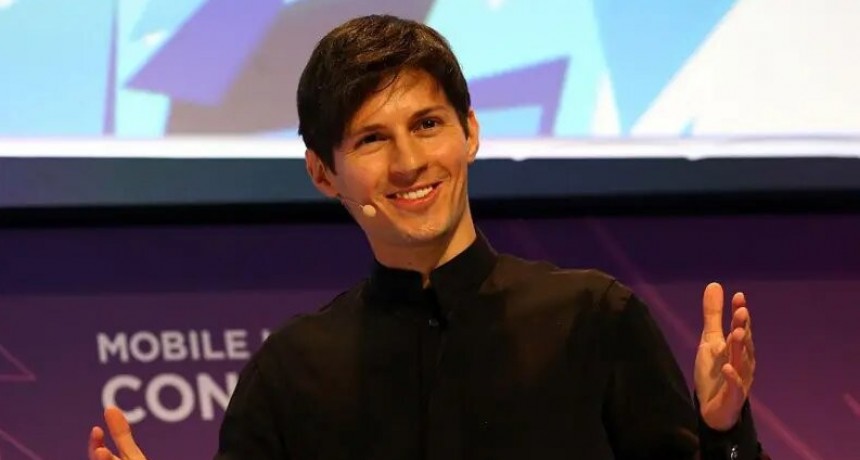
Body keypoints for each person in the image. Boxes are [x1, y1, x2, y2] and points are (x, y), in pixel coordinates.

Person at [89, 14, 765, 460]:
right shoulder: (291, 373)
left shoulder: (593, 318)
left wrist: (723, 430)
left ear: (470, 131)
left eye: (427, 125)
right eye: (371, 139)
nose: (409, 162)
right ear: (323, 173)